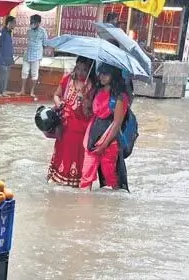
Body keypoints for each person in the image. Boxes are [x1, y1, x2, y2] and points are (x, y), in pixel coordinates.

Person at [80, 64, 129, 190]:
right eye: (100, 73)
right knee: (86, 175)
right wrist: (85, 96)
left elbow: (117, 123)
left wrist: (104, 145)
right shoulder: (96, 91)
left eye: (106, 74)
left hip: (110, 141)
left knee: (110, 176)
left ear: (114, 76)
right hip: (92, 137)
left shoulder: (120, 97)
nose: (102, 77)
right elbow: (89, 113)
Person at [47, 57, 93, 185]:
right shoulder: (67, 80)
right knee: (61, 151)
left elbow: (90, 112)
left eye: (84, 70)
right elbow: (56, 95)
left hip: (81, 129)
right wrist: (59, 103)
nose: (80, 72)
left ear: (89, 70)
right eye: (78, 68)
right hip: (64, 125)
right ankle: (58, 178)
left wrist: (84, 100)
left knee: (76, 155)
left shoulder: (92, 86)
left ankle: (73, 181)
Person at [21, 14, 49, 96]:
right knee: (24, 72)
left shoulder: (43, 31)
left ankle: (32, 92)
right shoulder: (28, 31)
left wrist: (39, 50)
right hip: (27, 54)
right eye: (31, 22)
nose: (32, 23)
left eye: (34, 22)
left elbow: (45, 44)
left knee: (34, 74)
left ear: (38, 22)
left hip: (36, 55)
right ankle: (22, 90)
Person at [0, 16, 15, 96]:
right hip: (1, 58)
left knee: (6, 75)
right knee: (1, 75)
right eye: (14, 23)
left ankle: (3, 90)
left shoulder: (9, 32)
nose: (15, 25)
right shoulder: (2, 31)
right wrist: (0, 58)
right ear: (9, 23)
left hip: (8, 58)